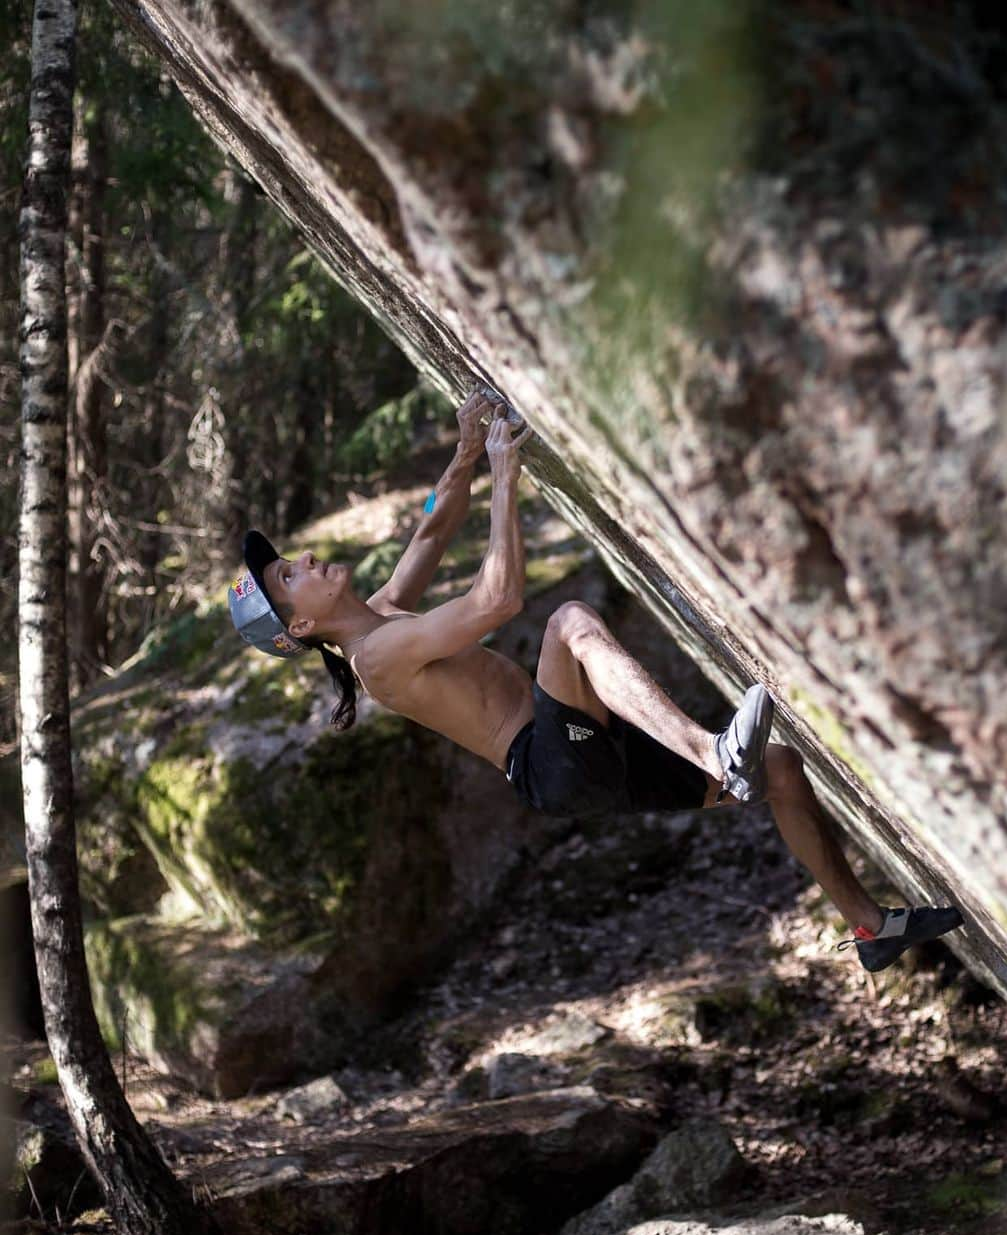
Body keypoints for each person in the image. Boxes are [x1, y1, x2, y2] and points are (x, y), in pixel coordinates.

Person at [228, 388, 962, 973]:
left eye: (288, 559)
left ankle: (867, 925)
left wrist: (461, 456)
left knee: (781, 768)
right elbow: (498, 600)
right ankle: (713, 752)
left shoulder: (381, 613)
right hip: (551, 762)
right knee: (569, 622)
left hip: (586, 746)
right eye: (290, 576)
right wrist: (506, 476)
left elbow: (429, 529)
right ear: (298, 629)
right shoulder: (376, 659)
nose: (305, 562)